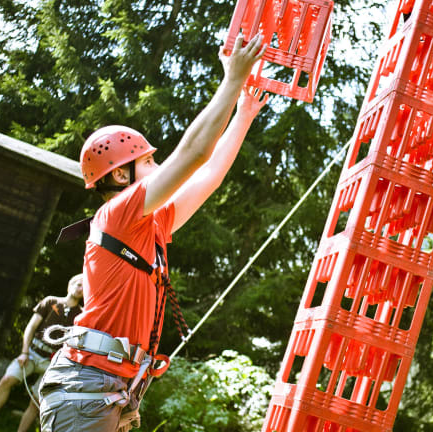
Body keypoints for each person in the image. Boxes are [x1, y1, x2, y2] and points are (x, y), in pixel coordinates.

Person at [38, 31, 269, 432]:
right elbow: (194, 155)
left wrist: (244, 113)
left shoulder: (152, 224)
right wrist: (232, 80)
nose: (159, 167)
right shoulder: (117, 214)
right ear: (121, 176)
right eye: (148, 162)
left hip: (108, 389)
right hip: (88, 389)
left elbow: (209, 175)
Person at [0, 274, 84, 432]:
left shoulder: (81, 315)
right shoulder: (50, 301)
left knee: (37, 401)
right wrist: (24, 352)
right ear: (70, 285)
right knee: (7, 380)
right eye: (78, 284)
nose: (80, 288)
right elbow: (31, 327)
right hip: (32, 354)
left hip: (53, 363)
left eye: (84, 287)